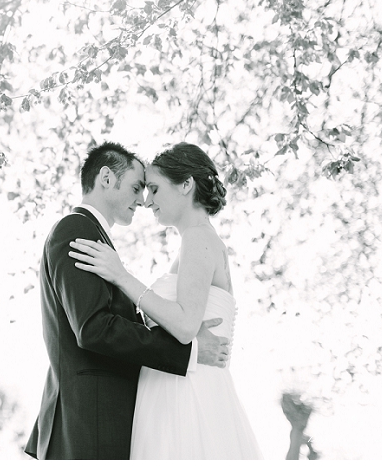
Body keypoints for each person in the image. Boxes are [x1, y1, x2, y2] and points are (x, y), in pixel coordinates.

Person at [24, 142, 231, 460]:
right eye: (137, 187)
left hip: (114, 419)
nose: (143, 200)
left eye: (149, 189)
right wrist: (188, 352)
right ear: (106, 178)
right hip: (90, 421)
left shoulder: (100, 240)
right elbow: (94, 328)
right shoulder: (76, 229)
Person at [68, 142, 263, 459]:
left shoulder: (198, 237)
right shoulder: (194, 242)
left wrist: (121, 275)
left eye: (155, 189)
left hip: (185, 396)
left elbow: (185, 326)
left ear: (186, 185)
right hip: (174, 386)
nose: (146, 201)